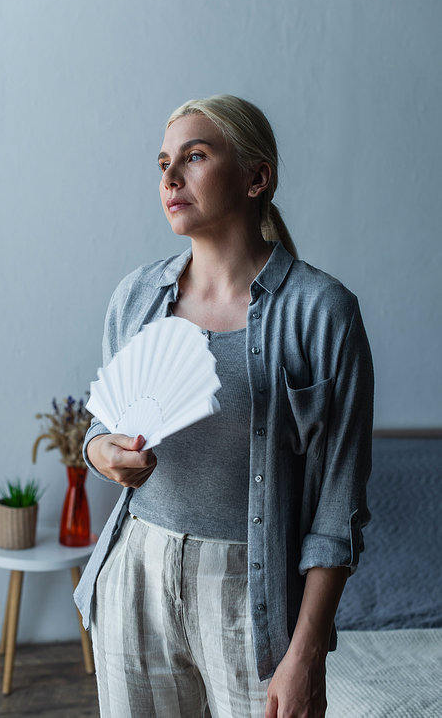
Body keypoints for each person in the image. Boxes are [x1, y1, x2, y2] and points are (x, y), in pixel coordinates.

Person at [74, 94, 374, 718]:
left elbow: (338, 507)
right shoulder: (136, 297)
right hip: (135, 570)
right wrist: (103, 453)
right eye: (163, 163)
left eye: (196, 156)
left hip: (251, 587)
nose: (170, 178)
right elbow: (103, 427)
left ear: (256, 178)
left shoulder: (323, 313)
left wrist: (306, 653)